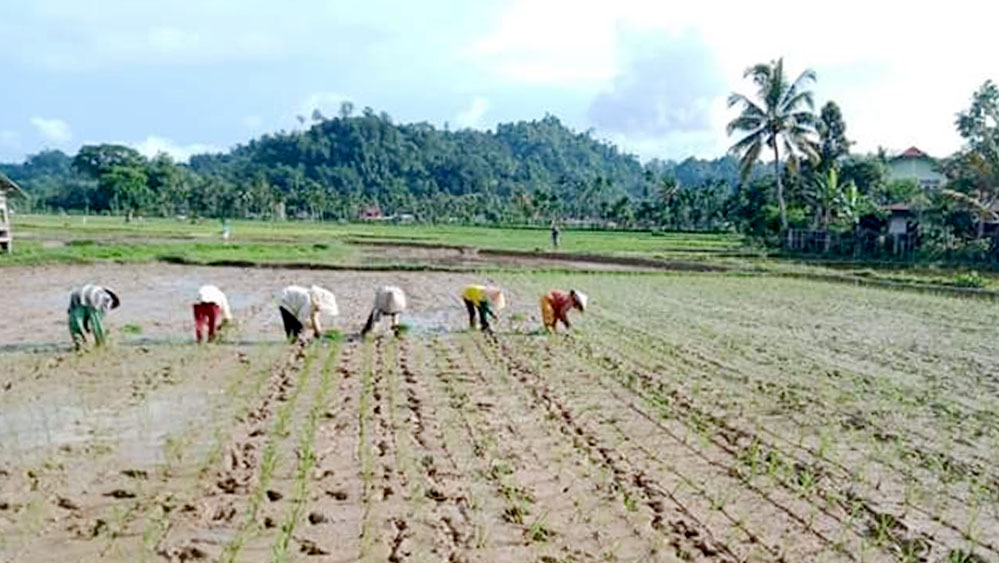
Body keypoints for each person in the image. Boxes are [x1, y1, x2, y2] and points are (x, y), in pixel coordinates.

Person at [68, 284, 120, 349]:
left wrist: (85, 325)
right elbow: (99, 318)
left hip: (75, 295)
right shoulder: (107, 297)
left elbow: (83, 314)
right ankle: (101, 344)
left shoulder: (97, 289)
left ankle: (80, 345)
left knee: (76, 324)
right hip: (94, 297)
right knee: (97, 325)